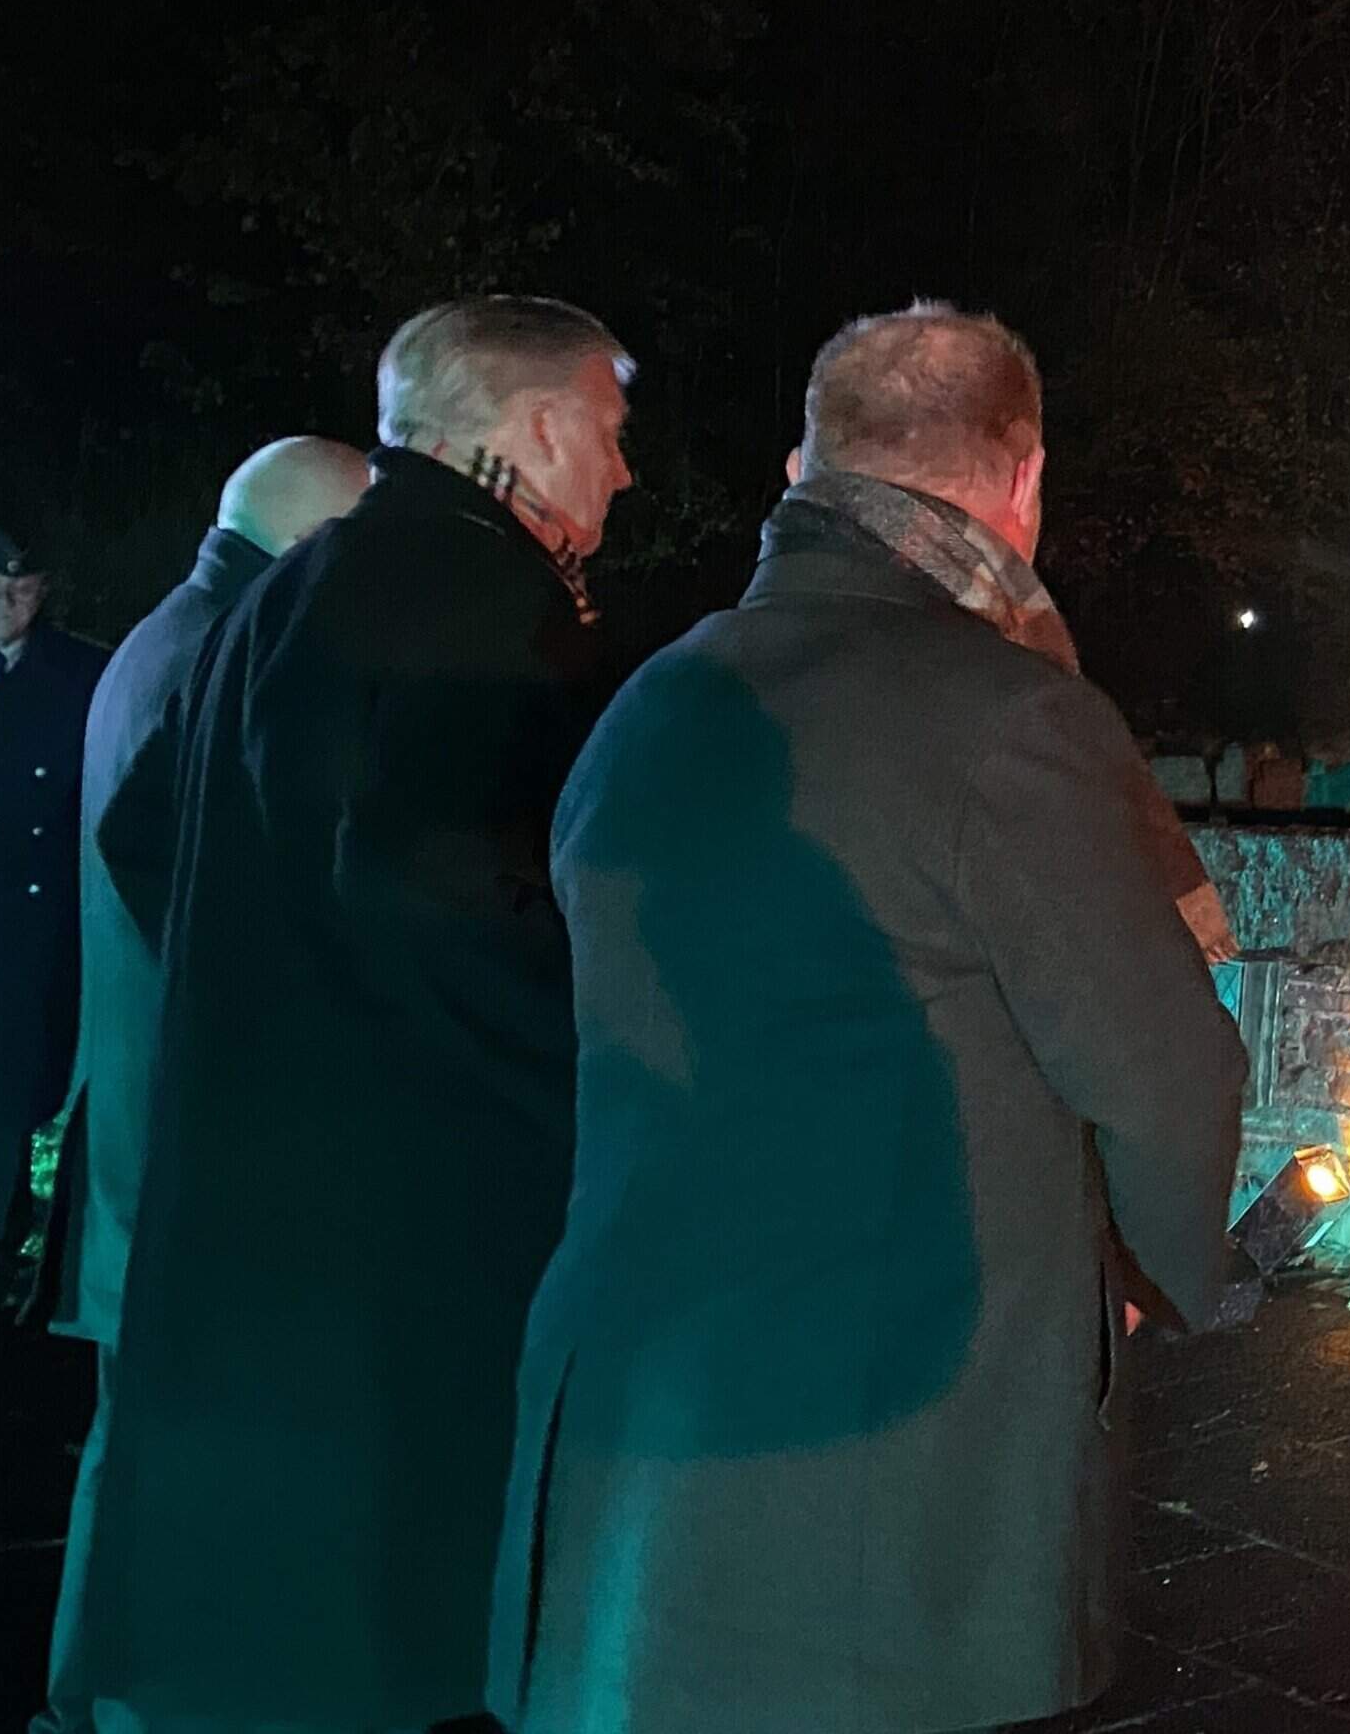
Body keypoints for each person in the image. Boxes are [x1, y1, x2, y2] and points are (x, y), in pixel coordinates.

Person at [492, 305, 1248, 1732]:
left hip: (640, 1434)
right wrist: (1151, 1268)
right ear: (1022, 479)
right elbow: (1163, 1069)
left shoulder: (654, 696)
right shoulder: (1009, 715)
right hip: (891, 1458)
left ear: (805, 465)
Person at [61, 299, 632, 1729]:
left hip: (263, 1221)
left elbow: (144, 835)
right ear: (543, 424)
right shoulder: (482, 603)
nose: (624, 476)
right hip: (410, 1247)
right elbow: (484, 925)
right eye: (614, 433)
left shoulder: (287, 592)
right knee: (399, 1635)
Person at [30, 440, 367, 1733]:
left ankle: (95, 1701)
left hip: (141, 1150)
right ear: (309, 541)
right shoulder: (221, 664)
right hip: (193, 1162)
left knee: (134, 1466)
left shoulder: (164, 643)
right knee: (174, 1479)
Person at [0, 527, 105, 1281]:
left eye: (24, 587)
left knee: (8, 1099)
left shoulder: (81, 675)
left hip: (28, 937)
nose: (9, 601)